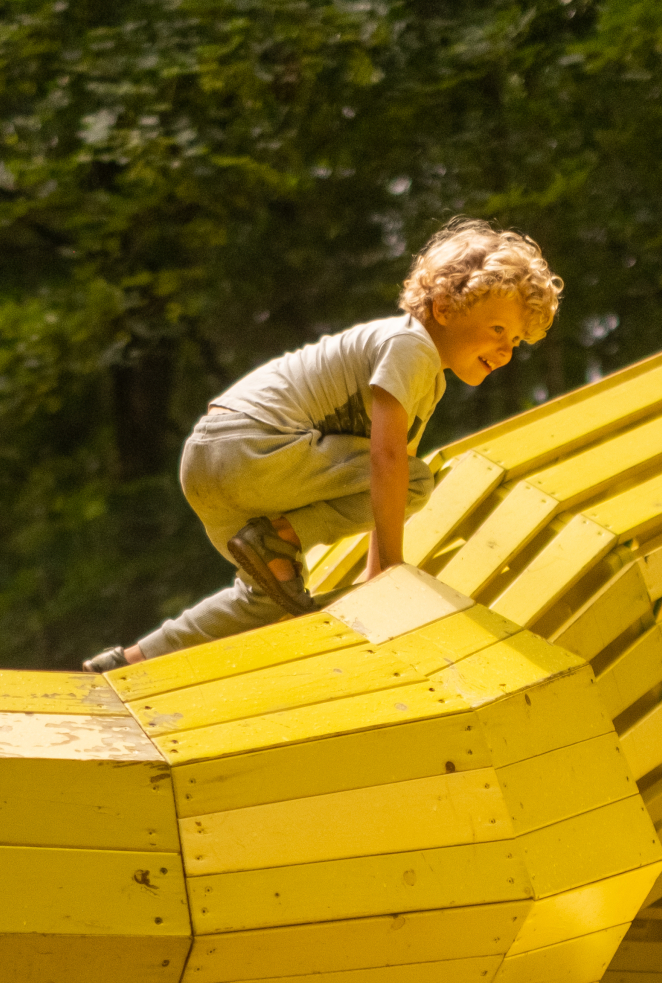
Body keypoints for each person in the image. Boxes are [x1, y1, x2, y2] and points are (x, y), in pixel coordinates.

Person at [86, 220, 562, 671]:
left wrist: (375, 577)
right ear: (443, 307)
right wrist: (390, 571)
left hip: (209, 465)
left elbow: (382, 490)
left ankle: (127, 663)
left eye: (518, 341)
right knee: (417, 480)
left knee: (269, 599)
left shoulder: (423, 375)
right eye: (498, 329)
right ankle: (287, 534)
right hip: (249, 447)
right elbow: (389, 463)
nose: (506, 350)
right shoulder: (410, 345)